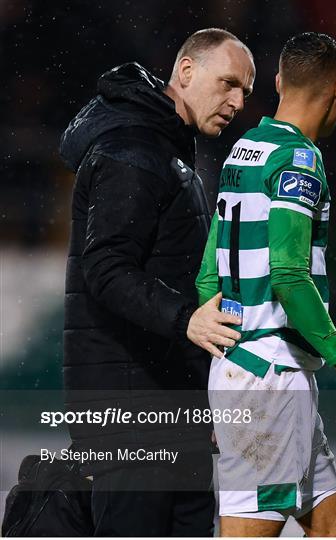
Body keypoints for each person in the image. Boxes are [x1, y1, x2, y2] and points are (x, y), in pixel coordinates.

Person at [59, 28, 255, 537]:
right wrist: (186, 318)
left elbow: (175, 284)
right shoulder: (133, 148)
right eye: (229, 83)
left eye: (246, 93)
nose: (236, 102)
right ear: (186, 72)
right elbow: (105, 268)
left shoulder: (164, 151)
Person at [195, 32, 336, 537]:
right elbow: (290, 274)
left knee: (333, 529)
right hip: (269, 382)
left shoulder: (244, 150)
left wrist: (222, 373)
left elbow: (209, 274)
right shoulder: (299, 160)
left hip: (252, 370)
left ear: (277, 82)